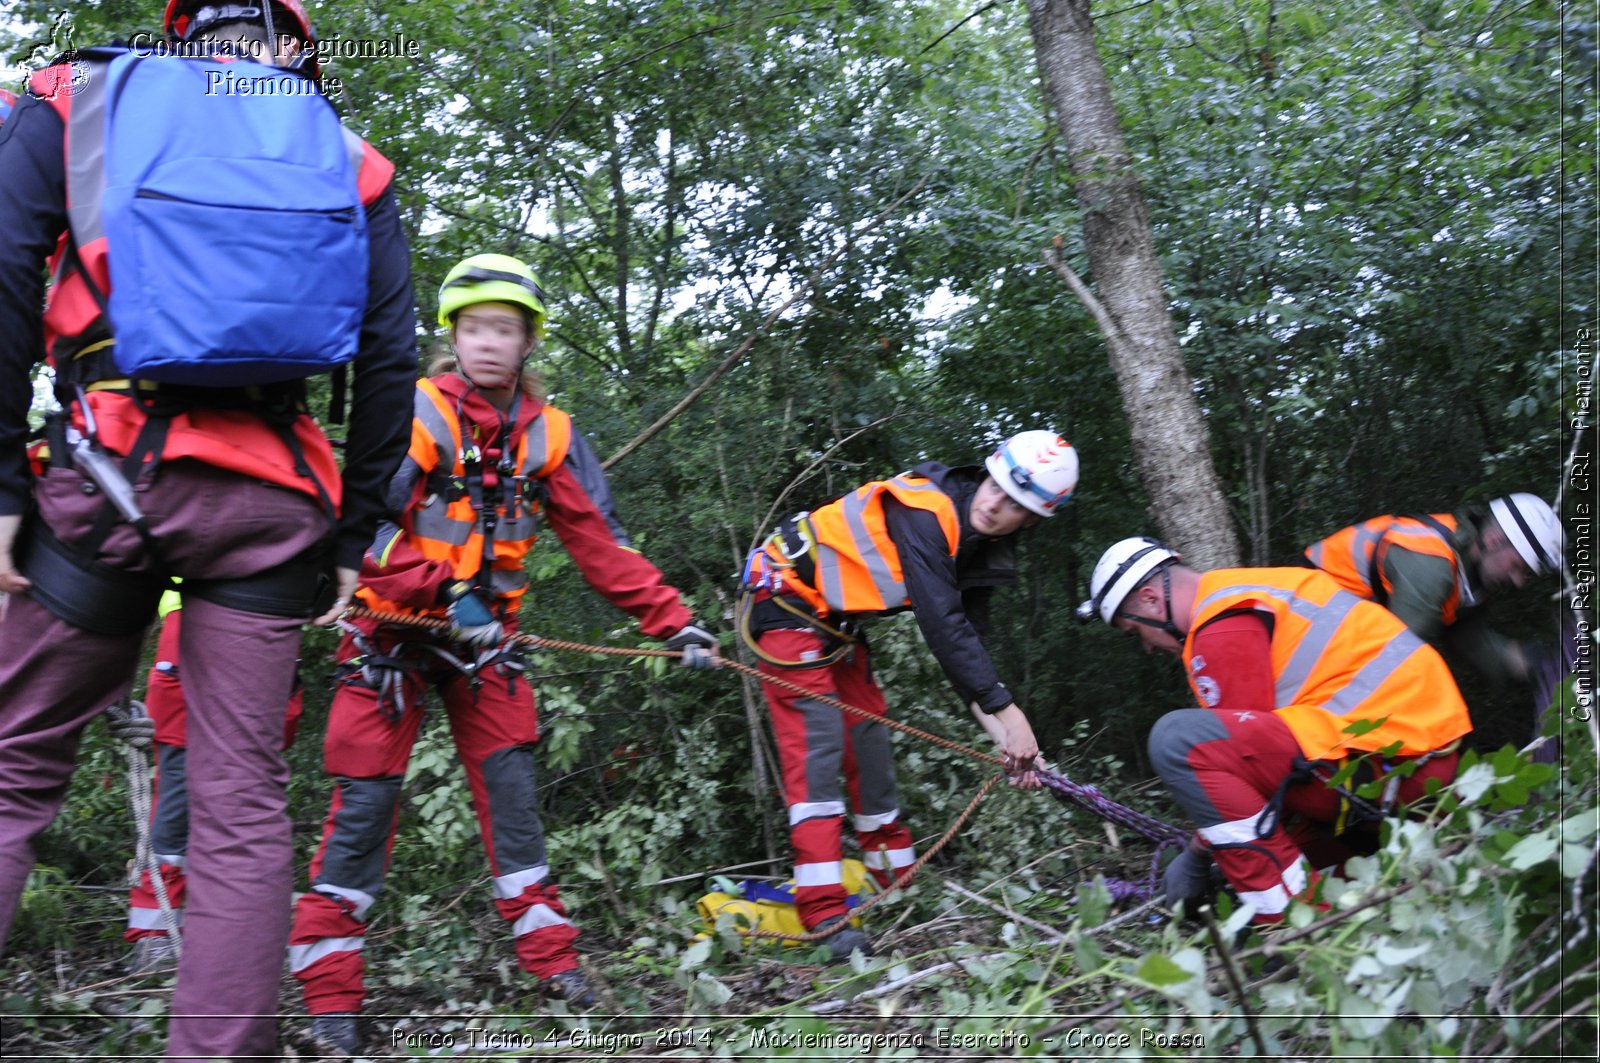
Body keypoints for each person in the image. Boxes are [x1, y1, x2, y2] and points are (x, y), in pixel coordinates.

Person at [0, 2, 416, 1058]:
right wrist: (354, 531)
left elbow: (5, 280)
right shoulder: (349, 158)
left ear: (185, 37)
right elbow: (389, 362)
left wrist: (2, 483)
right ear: (293, 49)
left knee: (12, 768)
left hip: (109, 476)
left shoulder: (74, 98)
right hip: (275, 505)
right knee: (240, 803)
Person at [288, 253, 717, 1053]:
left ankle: (555, 964)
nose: (489, 342)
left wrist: (673, 622)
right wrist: (448, 593)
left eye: (506, 330)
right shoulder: (415, 411)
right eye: (476, 327)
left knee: (516, 810)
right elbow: (366, 531)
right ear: (453, 335)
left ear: (528, 343)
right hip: (390, 636)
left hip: (484, 651)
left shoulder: (549, 433)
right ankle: (329, 998)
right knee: (362, 814)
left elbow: (600, 540)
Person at [737, 430, 1078, 959]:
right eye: (996, 487)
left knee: (869, 737)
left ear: (1032, 520)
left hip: (837, 623)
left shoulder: (983, 552)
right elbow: (942, 626)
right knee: (819, 745)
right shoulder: (925, 508)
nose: (996, 505)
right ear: (985, 472)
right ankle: (824, 911)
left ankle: (893, 881)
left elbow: (972, 655)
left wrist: (1009, 744)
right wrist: (1009, 714)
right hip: (784, 600)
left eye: (1016, 505)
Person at [1078, 537, 1472, 926]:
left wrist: (1198, 853)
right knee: (1253, 856)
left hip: (1388, 764)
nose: (1146, 647)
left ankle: (1293, 927)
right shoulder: (1253, 591)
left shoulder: (1220, 625)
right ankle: (1365, 902)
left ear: (1150, 598)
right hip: (1417, 757)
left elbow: (1244, 770)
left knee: (1177, 741)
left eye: (1135, 632)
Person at [122, 591, 306, 975]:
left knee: (245, 794)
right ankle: (155, 933)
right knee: (178, 795)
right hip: (194, 625)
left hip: (266, 626)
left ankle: (222, 932)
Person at [1303, 494, 1565, 683]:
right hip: (1304, 609)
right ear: (1493, 539)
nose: (1519, 580)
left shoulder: (1468, 574)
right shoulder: (1433, 565)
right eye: (1518, 565)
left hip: (1331, 625)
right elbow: (1394, 660)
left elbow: (1469, 636)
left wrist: (1531, 661)